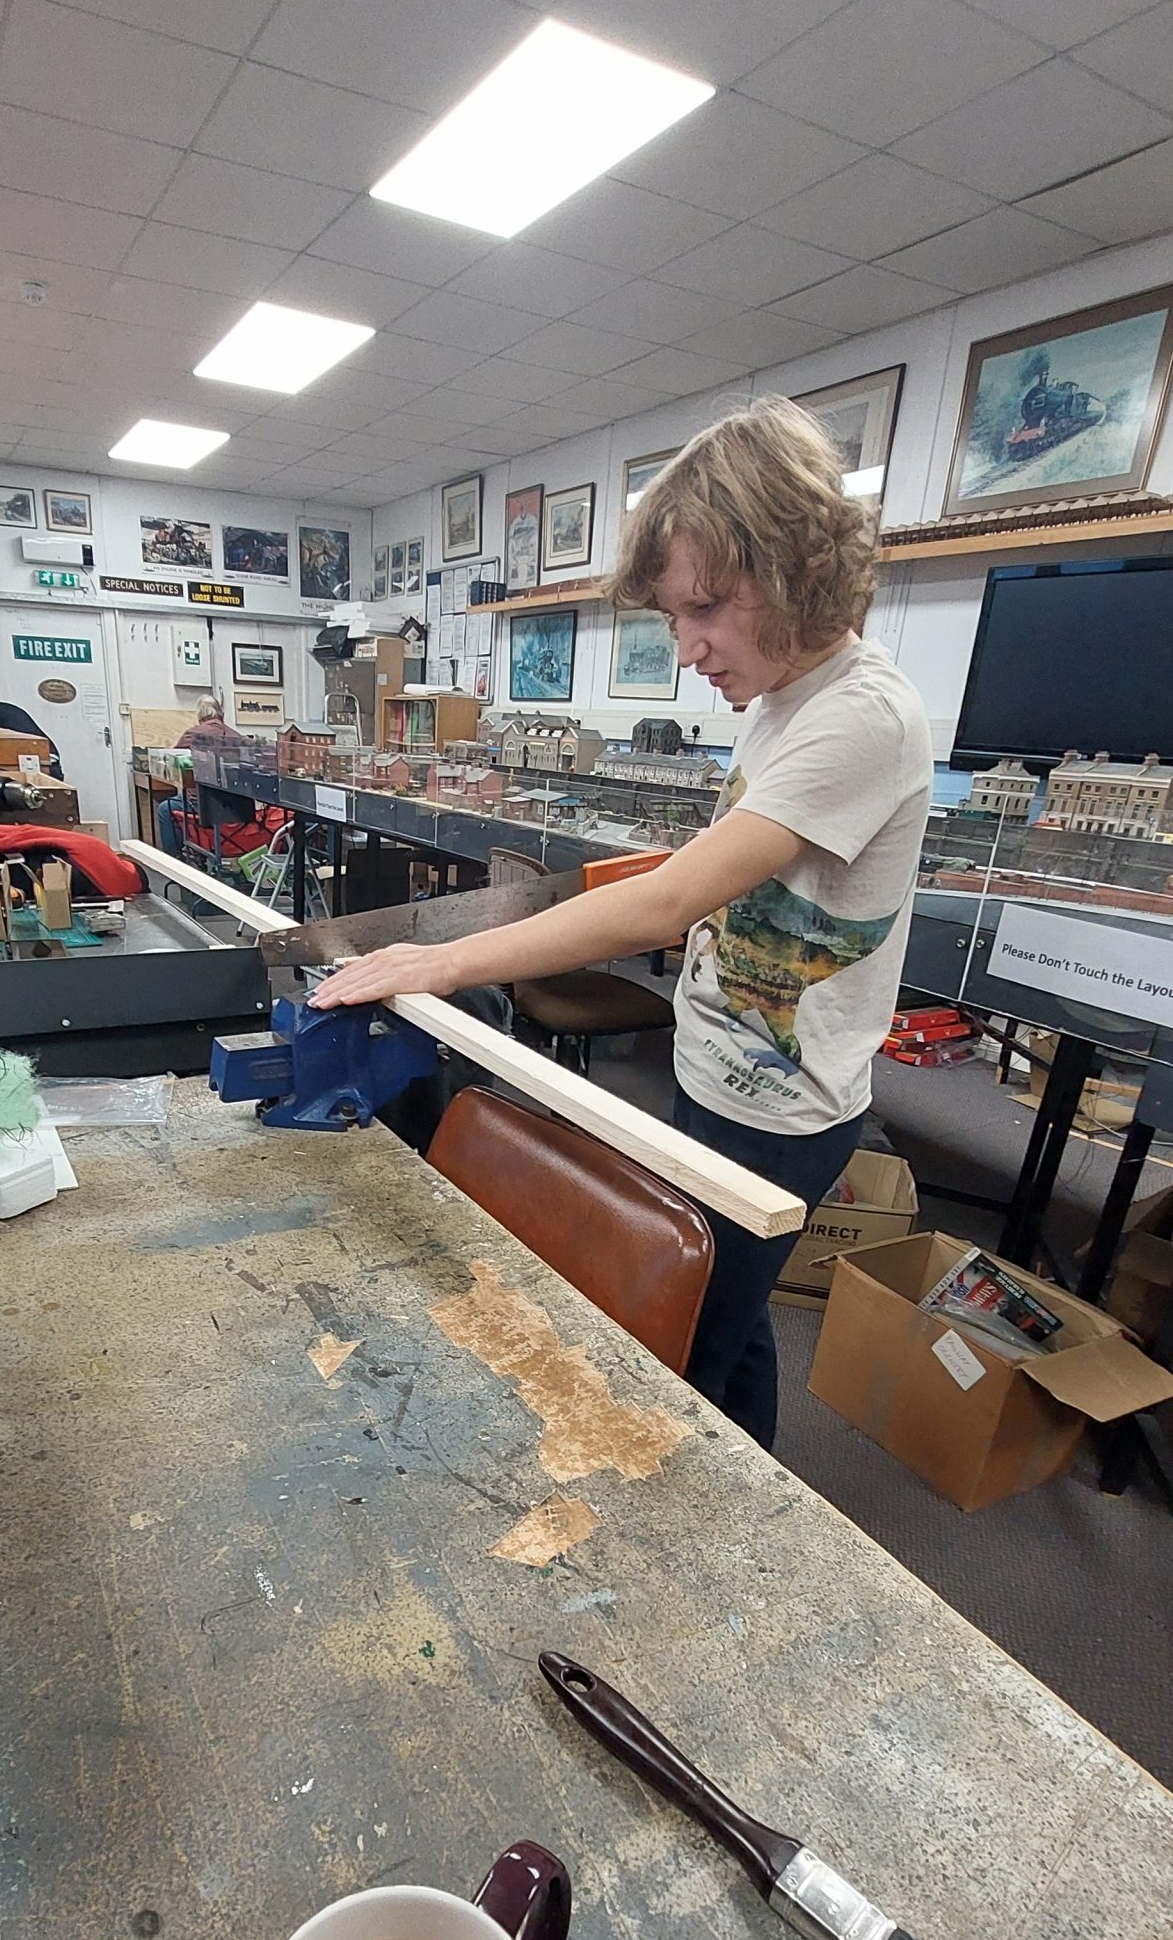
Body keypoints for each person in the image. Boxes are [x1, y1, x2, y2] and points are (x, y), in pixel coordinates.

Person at [311, 396, 933, 1450]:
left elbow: (668, 903)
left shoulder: (859, 716)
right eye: (675, 618)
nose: (689, 648)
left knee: (673, 1357)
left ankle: (704, 1520)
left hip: (780, 1109)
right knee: (733, 1329)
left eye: (706, 609)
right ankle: (756, 1505)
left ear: (793, 567)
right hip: (716, 1066)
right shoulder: (782, 697)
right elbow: (707, 878)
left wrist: (445, 959)